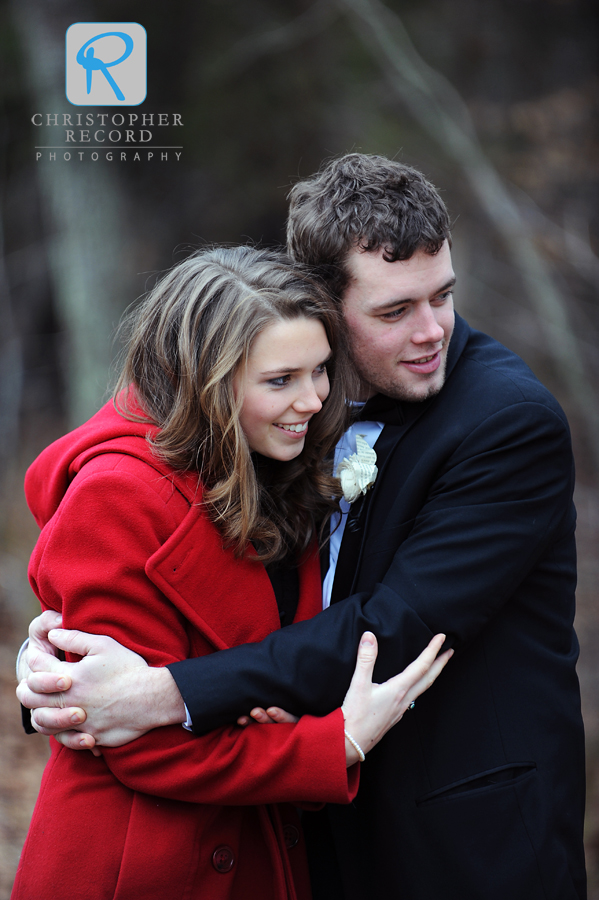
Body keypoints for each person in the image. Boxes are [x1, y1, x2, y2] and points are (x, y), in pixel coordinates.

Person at [19, 154, 586, 899]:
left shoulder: (504, 422)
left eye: (441, 296)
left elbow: (395, 622)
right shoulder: (257, 416)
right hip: (285, 831)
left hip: (456, 835)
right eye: (393, 311)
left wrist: (164, 692)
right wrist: (57, 664)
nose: (430, 333)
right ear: (318, 302)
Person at [12, 243, 452, 900]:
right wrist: (334, 747)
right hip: (141, 864)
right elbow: (127, 738)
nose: (311, 400)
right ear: (205, 385)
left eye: (320, 370)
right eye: (280, 380)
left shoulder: (276, 459)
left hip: (265, 848)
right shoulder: (114, 499)